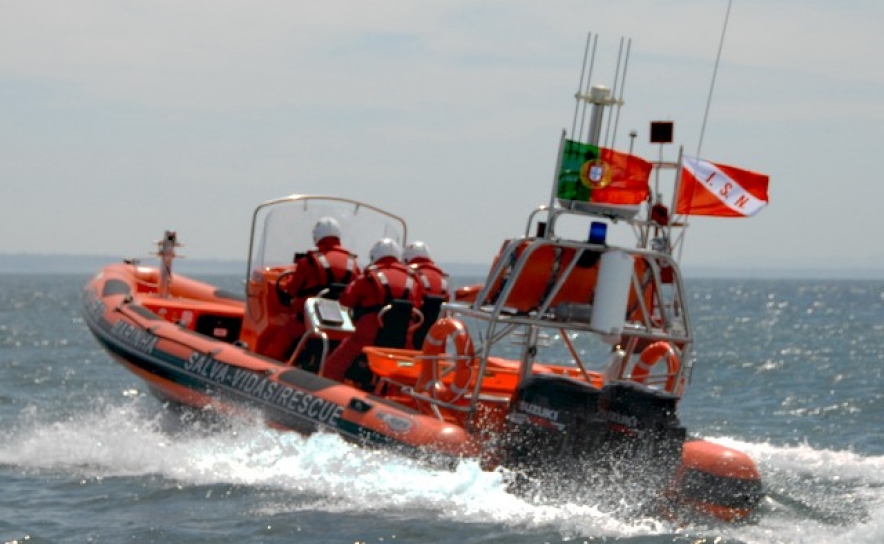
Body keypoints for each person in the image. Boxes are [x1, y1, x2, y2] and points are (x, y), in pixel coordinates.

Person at [321, 238, 423, 386]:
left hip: (367, 337)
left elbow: (345, 301)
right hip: (401, 341)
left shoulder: (368, 278)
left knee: (332, 367)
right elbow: (417, 305)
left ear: (374, 256)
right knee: (404, 375)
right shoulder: (413, 280)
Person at [276, 217, 360, 364]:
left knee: (281, 340)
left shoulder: (307, 262)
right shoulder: (353, 264)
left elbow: (291, 290)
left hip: (308, 322)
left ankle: (265, 368)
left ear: (316, 237)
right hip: (342, 324)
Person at [403, 241, 450, 349]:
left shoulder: (409, 275)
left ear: (406, 259)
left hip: (410, 344)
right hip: (436, 343)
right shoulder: (442, 278)